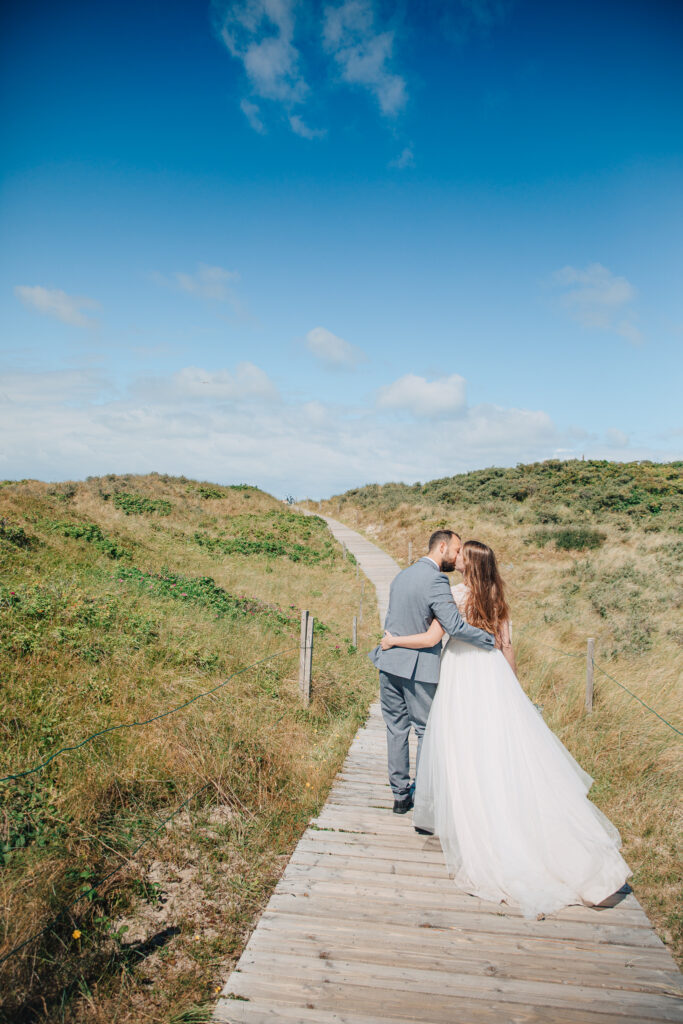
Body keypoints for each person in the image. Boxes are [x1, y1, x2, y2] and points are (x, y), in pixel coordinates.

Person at [381, 539, 631, 918]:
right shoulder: (498, 597)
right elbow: (507, 646)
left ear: (468, 564)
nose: (457, 558)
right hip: (493, 673)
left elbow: (436, 637)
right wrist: (512, 688)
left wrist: (394, 639)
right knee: (497, 745)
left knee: (461, 746)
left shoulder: (454, 593)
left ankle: (470, 817)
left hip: (461, 675)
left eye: (462, 555)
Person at [368, 530, 495, 815]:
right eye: (456, 549)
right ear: (442, 547)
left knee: (395, 729)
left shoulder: (402, 576)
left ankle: (400, 796)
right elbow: (454, 626)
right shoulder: (437, 580)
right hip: (418, 669)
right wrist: (489, 640)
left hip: (389, 663)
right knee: (426, 730)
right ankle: (423, 794)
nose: (457, 555)